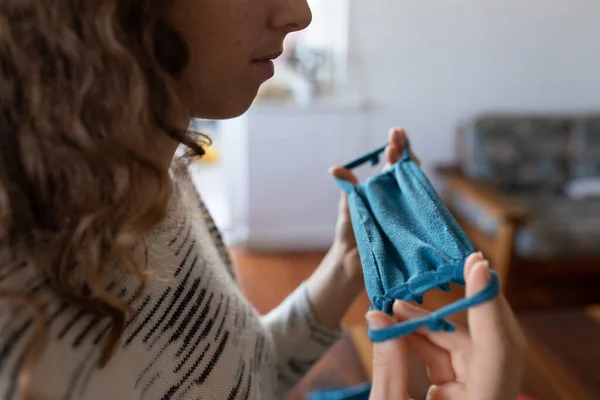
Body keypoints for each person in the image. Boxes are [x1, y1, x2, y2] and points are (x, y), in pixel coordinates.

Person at [0, 0, 526, 399]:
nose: (299, 13)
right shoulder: (19, 332)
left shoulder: (161, 176)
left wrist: (345, 265)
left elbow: (241, 371)